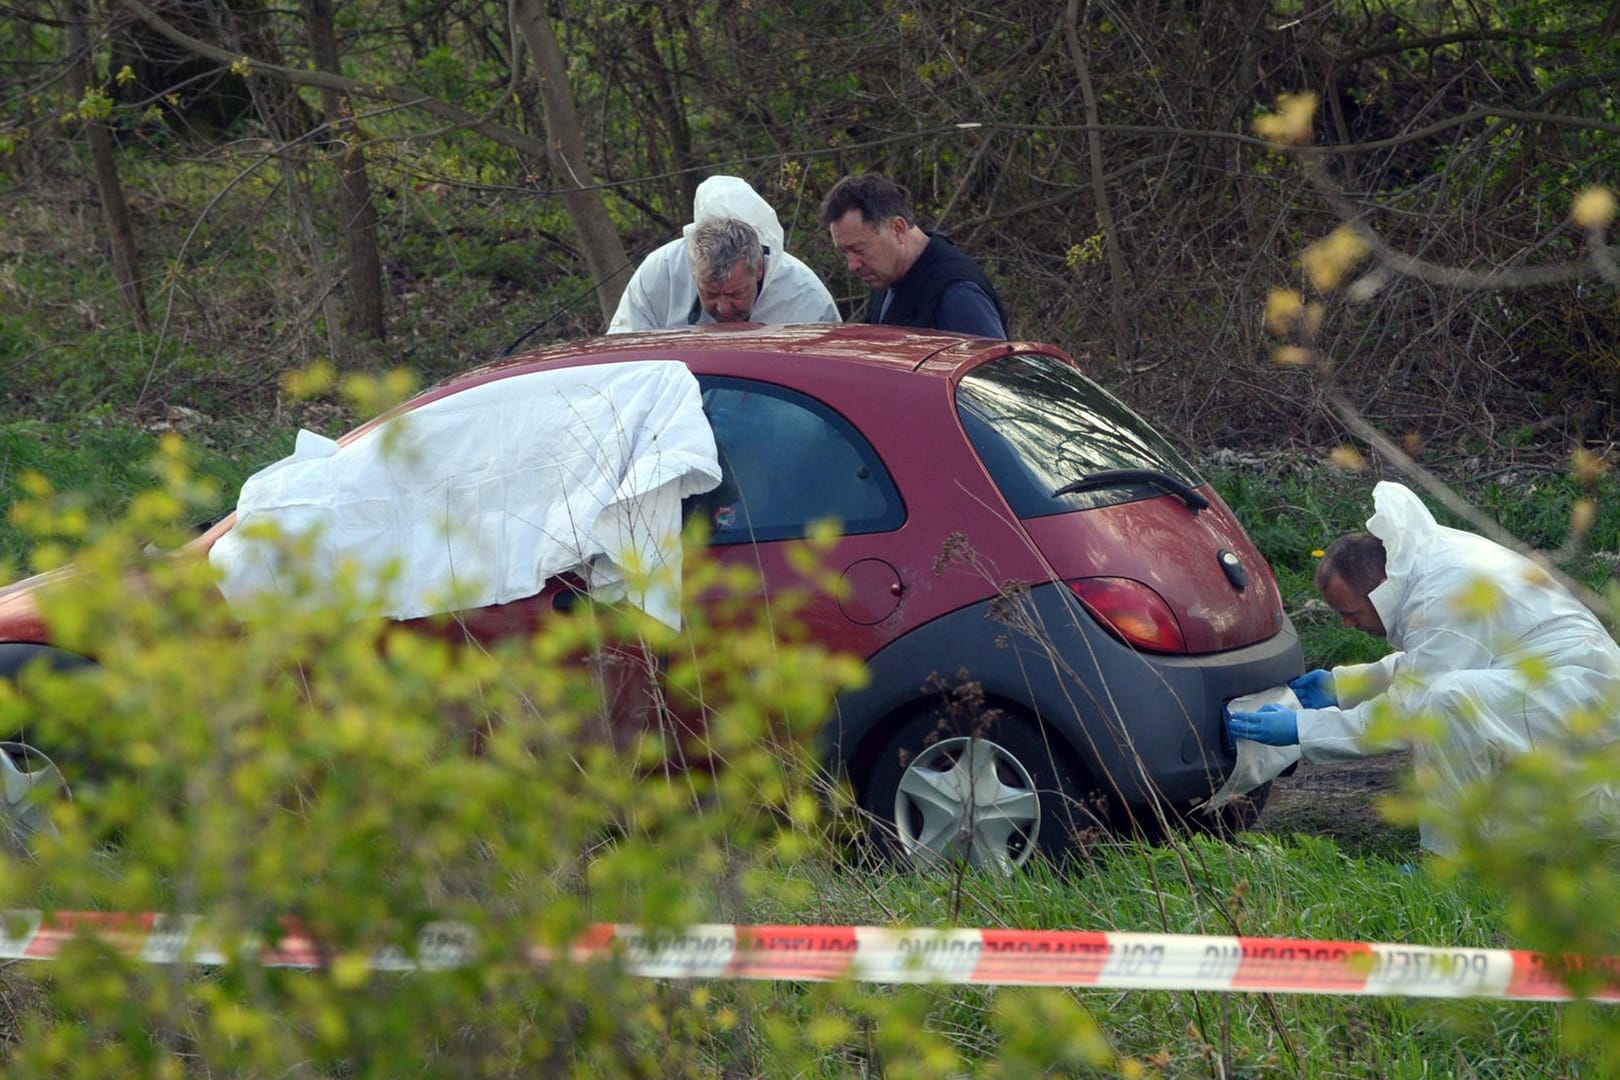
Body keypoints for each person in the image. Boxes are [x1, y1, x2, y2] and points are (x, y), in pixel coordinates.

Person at [1228, 480, 1620, 854]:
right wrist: (1342, 686)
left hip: (1582, 696)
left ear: (1378, 590)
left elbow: (1414, 710)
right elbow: (1437, 658)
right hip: (1563, 690)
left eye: (1350, 612)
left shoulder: (1444, 592)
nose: (1347, 625)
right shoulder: (1425, 567)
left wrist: (1302, 730)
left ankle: (1452, 860)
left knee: (1448, 703)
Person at [608, 175, 839, 332]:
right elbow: (622, 357)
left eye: (735, 294)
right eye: (709, 293)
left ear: (759, 268)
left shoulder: (805, 299)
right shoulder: (660, 273)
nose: (723, 308)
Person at [817, 174, 1007, 339]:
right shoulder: (886, 276)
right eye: (845, 253)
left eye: (859, 250)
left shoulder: (957, 294)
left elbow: (993, 375)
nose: (852, 265)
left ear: (898, 229)